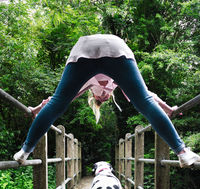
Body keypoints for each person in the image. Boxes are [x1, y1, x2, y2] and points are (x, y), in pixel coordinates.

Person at [14, 34, 200, 167]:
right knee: (58, 103)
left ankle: (182, 152)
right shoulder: (89, 85)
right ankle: (25, 151)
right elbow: (54, 101)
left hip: (91, 49)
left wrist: (168, 108)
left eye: (103, 97)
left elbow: (149, 96)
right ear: (94, 96)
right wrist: (36, 108)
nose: (103, 96)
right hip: (109, 50)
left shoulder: (115, 85)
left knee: (143, 101)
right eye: (102, 97)